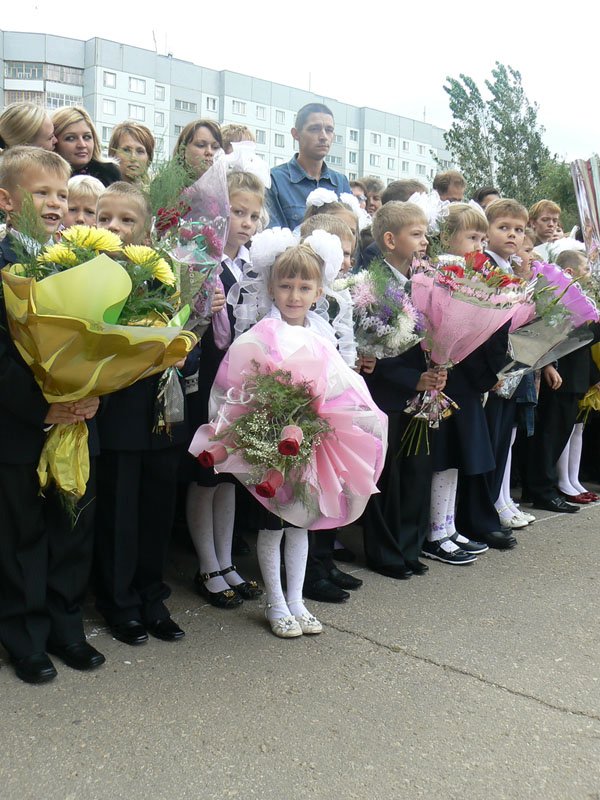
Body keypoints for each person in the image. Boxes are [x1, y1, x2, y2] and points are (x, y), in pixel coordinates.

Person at [0, 146, 104, 683]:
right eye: (41, 192)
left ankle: (67, 626)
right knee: (22, 535)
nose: (56, 204)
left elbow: (103, 340)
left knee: (71, 527)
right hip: (20, 425)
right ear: (6, 199)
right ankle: (25, 635)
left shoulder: (80, 261)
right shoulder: (3, 261)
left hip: (77, 421)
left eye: (62, 195)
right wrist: (45, 406)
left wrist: (94, 393)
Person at [93, 182, 187, 645]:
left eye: (126, 220)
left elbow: (187, 330)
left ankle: (152, 595)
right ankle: (118, 601)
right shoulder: (85, 274)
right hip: (118, 414)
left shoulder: (167, 273)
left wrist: (185, 341)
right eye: (103, 218)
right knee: (120, 512)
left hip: (163, 411)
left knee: (156, 510)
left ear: (147, 231)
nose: (114, 227)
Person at [185, 171, 265, 609]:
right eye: (237, 212)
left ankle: (226, 558)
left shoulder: (250, 265)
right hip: (209, 378)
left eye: (253, 215)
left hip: (239, 381)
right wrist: (202, 304)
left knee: (230, 474)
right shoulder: (204, 262)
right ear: (219, 213)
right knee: (205, 471)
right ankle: (207, 564)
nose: (246, 222)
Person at [362, 201, 448, 578]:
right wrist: (411, 379)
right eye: (416, 234)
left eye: (426, 233)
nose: (425, 241)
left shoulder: (422, 279)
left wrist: (440, 366)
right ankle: (385, 552)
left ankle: (410, 545)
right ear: (390, 239)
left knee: (416, 470)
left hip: (421, 390)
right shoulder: (372, 285)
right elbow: (374, 353)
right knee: (385, 476)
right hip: (388, 393)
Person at [424, 203, 507, 563]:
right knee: (441, 457)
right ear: (447, 237)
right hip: (445, 378)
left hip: (465, 380)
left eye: (481, 238)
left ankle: (449, 526)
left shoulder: (477, 274)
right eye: (471, 236)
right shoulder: (440, 273)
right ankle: (434, 532)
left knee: (457, 458)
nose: (478, 244)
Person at [298, 213, 362, 601]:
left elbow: (348, 343)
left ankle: (325, 560)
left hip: (338, 396)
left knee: (334, 483)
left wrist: (352, 377)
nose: (348, 262)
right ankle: (308, 571)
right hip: (310, 400)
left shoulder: (342, 295)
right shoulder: (309, 296)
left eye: (351, 255)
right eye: (341, 255)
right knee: (311, 486)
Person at [526, 250, 600, 513]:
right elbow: (550, 333)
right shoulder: (557, 297)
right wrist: (548, 364)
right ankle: (541, 489)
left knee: (560, 433)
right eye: (586, 269)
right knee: (550, 434)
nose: (590, 275)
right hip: (561, 373)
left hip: (577, 374)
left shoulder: (580, 298)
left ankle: (549, 486)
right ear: (568, 272)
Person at [481, 199, 535, 531]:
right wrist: (491, 373)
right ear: (488, 231)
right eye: (503, 227)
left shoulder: (510, 269)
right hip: (492, 372)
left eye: (518, 229)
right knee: (490, 443)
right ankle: (485, 511)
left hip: (510, 368)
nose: (512, 235)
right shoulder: (485, 267)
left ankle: (495, 506)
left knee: (502, 442)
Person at [266, 103, 351, 230]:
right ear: (296, 134)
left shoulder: (341, 182)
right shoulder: (274, 180)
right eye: (314, 129)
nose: (323, 137)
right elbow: (274, 239)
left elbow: (352, 236)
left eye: (329, 130)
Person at [52, 106, 120, 187]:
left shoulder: (109, 174)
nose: (82, 145)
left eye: (86, 137)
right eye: (71, 138)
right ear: (54, 141)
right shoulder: (44, 176)